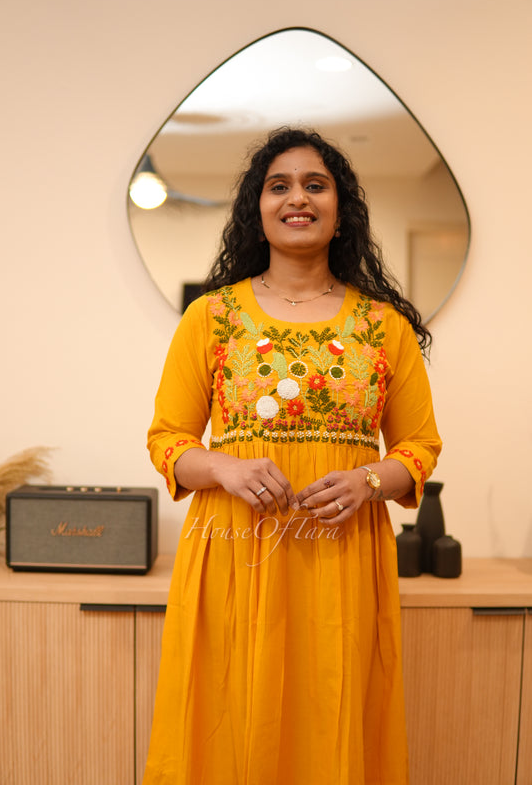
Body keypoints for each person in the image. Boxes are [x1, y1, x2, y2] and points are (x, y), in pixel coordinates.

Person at [143, 127, 441, 785]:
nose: (296, 198)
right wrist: (223, 466)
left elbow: (418, 448)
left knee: (331, 714)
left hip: (341, 559)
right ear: (257, 209)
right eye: (278, 186)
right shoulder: (210, 318)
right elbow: (168, 439)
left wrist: (369, 480)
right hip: (233, 550)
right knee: (226, 713)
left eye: (315, 185)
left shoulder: (383, 325)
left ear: (341, 212)